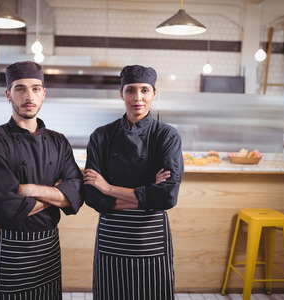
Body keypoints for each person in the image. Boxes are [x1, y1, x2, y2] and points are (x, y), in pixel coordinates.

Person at [0, 61, 84, 300]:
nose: (29, 96)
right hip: (12, 252)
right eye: (20, 89)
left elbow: (77, 192)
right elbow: (5, 208)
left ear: (43, 93)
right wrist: (56, 193)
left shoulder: (59, 142)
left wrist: (31, 190)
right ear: (8, 94)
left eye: (36, 88)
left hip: (48, 249)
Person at [83, 64, 184, 300]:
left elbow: (167, 196)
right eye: (130, 90)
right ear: (121, 94)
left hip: (149, 237)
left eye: (144, 90)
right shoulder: (101, 136)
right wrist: (148, 196)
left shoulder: (166, 136)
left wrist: (109, 189)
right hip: (112, 238)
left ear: (154, 93)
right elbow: (92, 197)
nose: (137, 98)